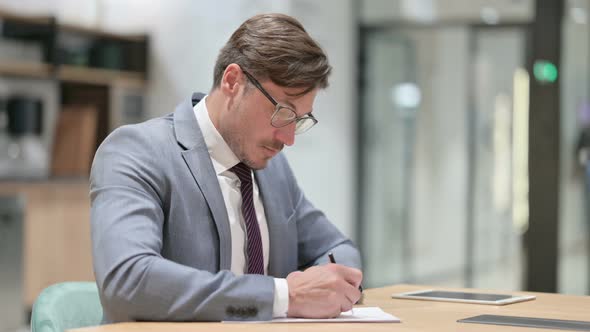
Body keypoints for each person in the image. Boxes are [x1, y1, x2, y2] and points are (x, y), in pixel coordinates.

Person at [90, 13, 362, 323]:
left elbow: (337, 247)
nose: (288, 138)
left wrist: (331, 281)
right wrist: (286, 295)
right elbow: (129, 281)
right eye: (283, 112)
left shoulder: (274, 169)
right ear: (233, 81)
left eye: (299, 120)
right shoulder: (137, 152)